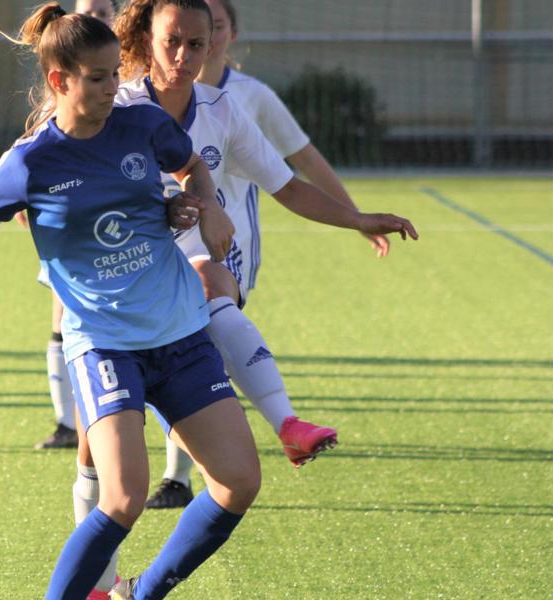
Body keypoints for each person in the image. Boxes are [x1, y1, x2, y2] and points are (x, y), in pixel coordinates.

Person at [0, 5, 262, 598]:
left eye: (116, 73)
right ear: (60, 80)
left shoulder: (141, 124)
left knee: (238, 481)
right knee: (122, 499)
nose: (114, 87)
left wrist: (208, 205)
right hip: (106, 344)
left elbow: (191, 167)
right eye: (98, 77)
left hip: (179, 330)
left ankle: (141, 593)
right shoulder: (32, 161)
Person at [142, 0, 410, 508]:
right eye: (171, 41)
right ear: (146, 41)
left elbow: (288, 184)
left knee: (210, 289)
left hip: (208, 251)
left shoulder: (226, 107)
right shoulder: (120, 104)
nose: (183, 54)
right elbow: (55, 140)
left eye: (197, 42)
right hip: (126, 268)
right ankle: (100, 578)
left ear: (221, 40)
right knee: (110, 469)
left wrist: (356, 218)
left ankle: (286, 423)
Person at [32, 0, 121, 450]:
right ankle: (69, 421)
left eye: (105, 10)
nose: (98, 18)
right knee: (64, 317)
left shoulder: (123, 92)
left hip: (131, 248)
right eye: (91, 10)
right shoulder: (67, 94)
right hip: (76, 240)